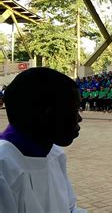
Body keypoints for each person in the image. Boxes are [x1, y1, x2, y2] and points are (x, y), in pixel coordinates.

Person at [0, 67, 83, 212]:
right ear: (47, 113)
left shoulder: (54, 154)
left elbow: (69, 208)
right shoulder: (4, 166)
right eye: (74, 110)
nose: (79, 118)